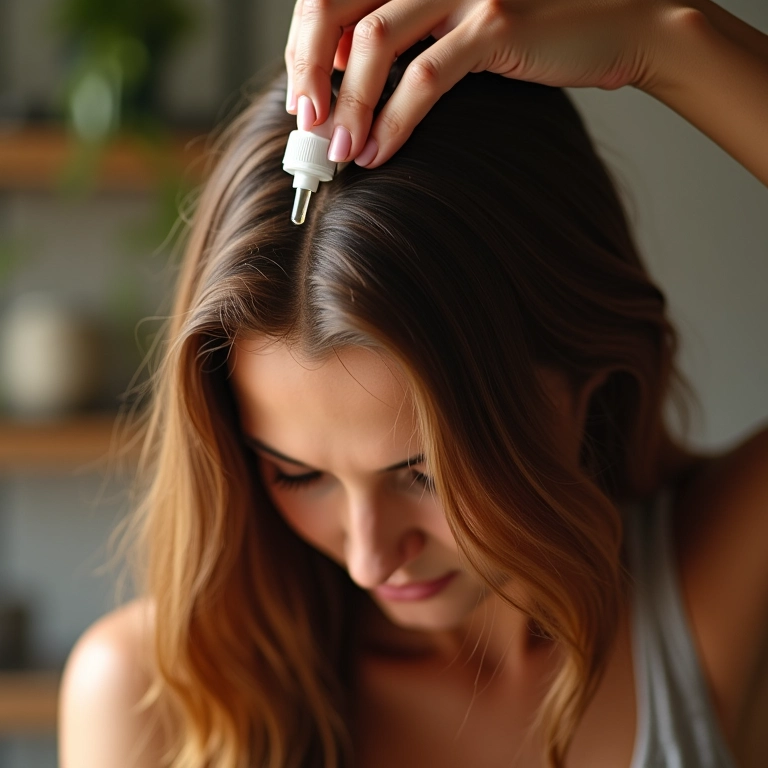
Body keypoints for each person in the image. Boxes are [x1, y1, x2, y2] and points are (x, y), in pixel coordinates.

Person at [59, 1, 768, 767]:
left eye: (423, 472)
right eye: (296, 473)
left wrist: (661, 38)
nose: (370, 558)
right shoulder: (153, 696)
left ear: (585, 374)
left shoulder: (720, 588)